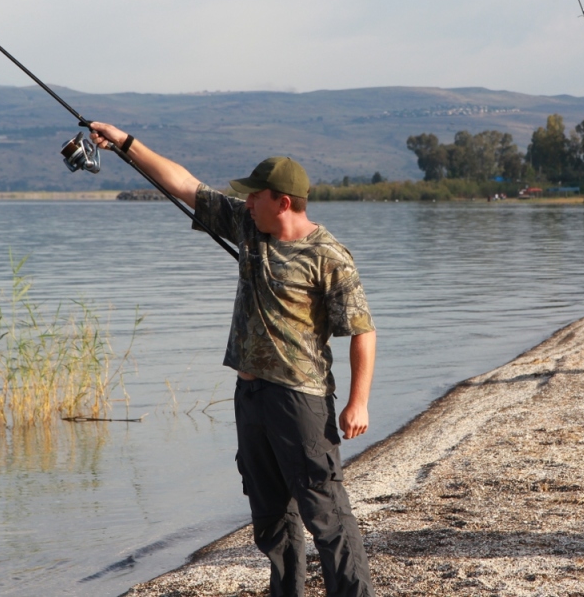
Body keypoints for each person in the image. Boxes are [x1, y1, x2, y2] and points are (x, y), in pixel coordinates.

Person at [89, 122, 378, 597]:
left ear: (283, 201)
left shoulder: (329, 257)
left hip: (300, 401)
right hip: (250, 395)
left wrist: (358, 402)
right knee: (270, 520)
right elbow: (184, 185)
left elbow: (362, 333)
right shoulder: (249, 226)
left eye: (254, 197)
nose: (245, 202)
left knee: (325, 513)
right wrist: (124, 142)